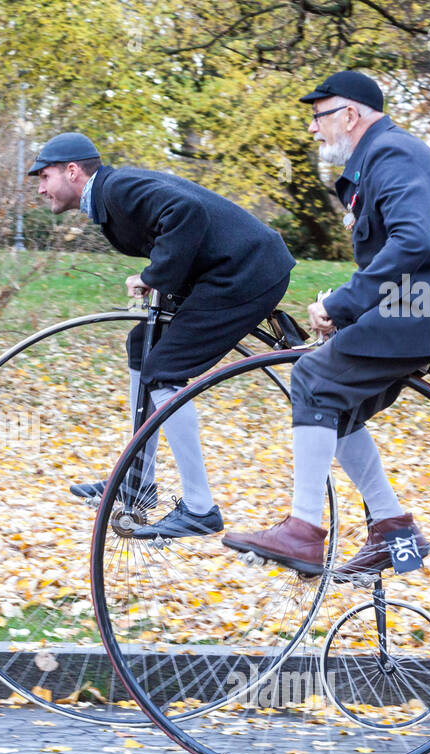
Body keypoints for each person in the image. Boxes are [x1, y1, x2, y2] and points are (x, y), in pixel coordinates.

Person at [222, 71, 430, 575]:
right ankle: (393, 530)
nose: (313, 130)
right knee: (335, 399)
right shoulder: (377, 159)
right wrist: (354, 311)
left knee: (313, 379)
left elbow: (412, 243)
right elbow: (397, 252)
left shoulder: (391, 154)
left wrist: (343, 305)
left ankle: (303, 530)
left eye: (318, 117)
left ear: (350, 114)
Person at [30, 133, 295, 538]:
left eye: (45, 176)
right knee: (143, 347)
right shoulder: (109, 197)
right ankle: (137, 481)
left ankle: (200, 507)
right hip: (225, 271)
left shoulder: (116, 188)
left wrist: (154, 277)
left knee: (164, 370)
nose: (41, 188)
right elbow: (175, 228)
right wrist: (164, 280)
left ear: (72, 171)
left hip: (245, 272)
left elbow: (186, 212)